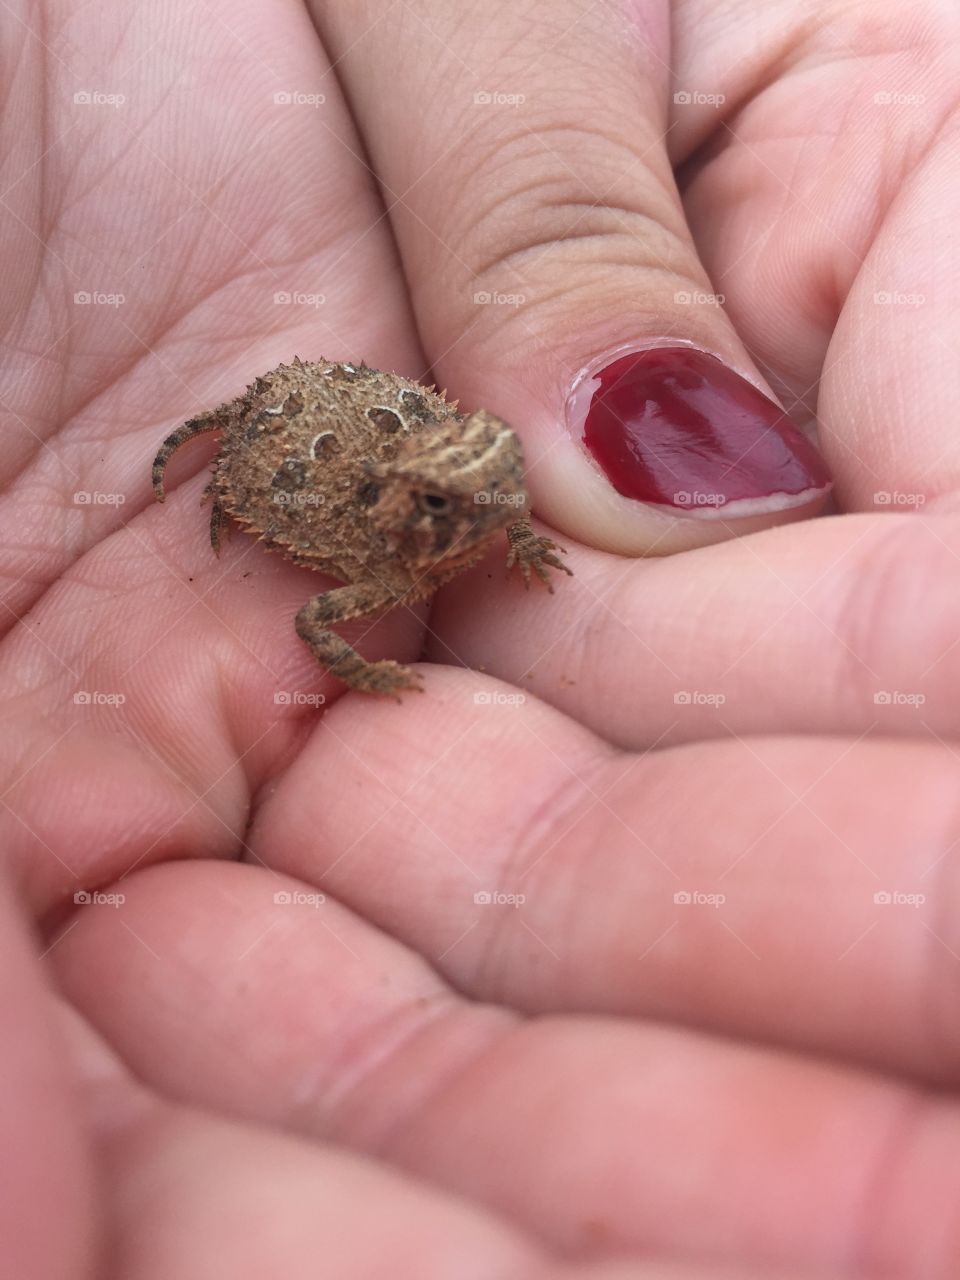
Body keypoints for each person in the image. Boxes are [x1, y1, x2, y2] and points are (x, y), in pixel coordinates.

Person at [2, 1, 957, 1275]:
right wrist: (368, 660)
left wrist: (519, 527)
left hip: (358, 410)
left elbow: (497, 495)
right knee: (252, 441)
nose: (506, 504)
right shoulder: (373, 560)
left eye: (506, 476)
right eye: (471, 505)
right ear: (418, 515)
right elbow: (316, 617)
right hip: (302, 436)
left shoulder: (482, 493)